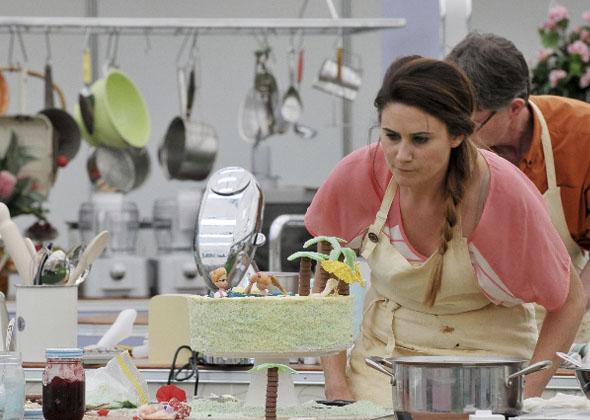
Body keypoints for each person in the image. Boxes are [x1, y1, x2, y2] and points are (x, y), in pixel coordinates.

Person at [304, 56, 585, 407]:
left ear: (457, 135)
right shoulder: (358, 175)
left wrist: (525, 396)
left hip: (488, 379)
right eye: (391, 136)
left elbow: (570, 300)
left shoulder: (504, 194)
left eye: (420, 140)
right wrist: (336, 385)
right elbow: (328, 279)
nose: (401, 155)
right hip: (381, 371)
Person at [446, 33, 590, 309]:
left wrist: (572, 309)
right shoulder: (443, 139)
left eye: (469, 124)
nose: (456, 134)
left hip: (558, 307)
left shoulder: (581, 135)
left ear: (514, 108)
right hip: (469, 312)